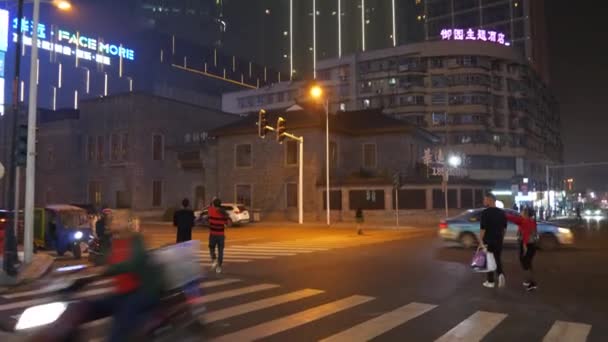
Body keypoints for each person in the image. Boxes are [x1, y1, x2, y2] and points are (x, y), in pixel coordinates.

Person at [506, 208, 538, 291]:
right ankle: (530, 281)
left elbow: (526, 234)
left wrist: (524, 246)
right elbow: (513, 218)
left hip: (527, 245)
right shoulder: (530, 220)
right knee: (527, 263)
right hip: (531, 245)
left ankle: (531, 283)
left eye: (522, 212)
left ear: (526, 214)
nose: (520, 213)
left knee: (525, 263)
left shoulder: (525, 221)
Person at [479, 192, 507, 288]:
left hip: (488, 241)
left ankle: (490, 282)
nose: (483, 201)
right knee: (497, 259)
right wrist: (501, 238)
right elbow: (504, 229)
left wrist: (480, 241)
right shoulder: (502, 213)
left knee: (489, 261)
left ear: (490, 200)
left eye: (485, 199)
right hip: (498, 240)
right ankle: (500, 274)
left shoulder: (485, 213)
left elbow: (483, 229)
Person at [208, 197, 229, 274]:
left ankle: (214, 259)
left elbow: (210, 205)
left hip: (212, 234)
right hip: (221, 235)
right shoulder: (223, 213)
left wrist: (212, 200)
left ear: (213, 204)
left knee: (211, 248)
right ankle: (219, 267)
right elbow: (227, 224)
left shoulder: (210, 210)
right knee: (221, 251)